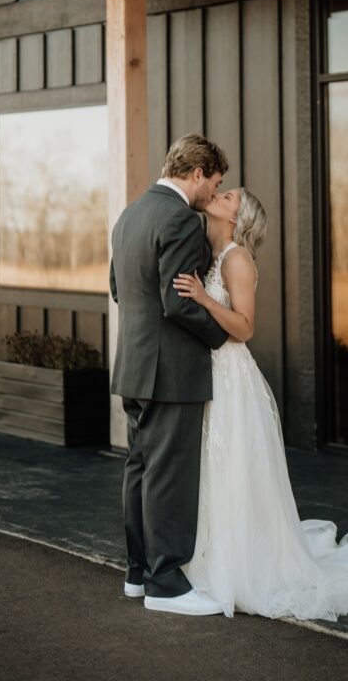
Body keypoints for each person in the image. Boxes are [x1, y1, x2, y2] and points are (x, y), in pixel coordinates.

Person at [173, 187, 348, 620]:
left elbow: (245, 328)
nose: (219, 192)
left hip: (231, 378)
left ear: (237, 217)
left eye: (229, 195)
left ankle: (241, 567)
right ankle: (213, 555)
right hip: (210, 375)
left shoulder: (236, 259)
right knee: (215, 468)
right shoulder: (210, 254)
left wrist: (205, 299)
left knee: (232, 468)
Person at [109, 134, 230, 616]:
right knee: (169, 476)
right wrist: (223, 335)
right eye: (215, 182)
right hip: (170, 371)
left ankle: (138, 573)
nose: (212, 193)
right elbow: (178, 300)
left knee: (140, 468)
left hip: (135, 365)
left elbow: (119, 288)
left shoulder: (130, 215)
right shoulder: (180, 218)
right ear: (197, 172)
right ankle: (167, 585)